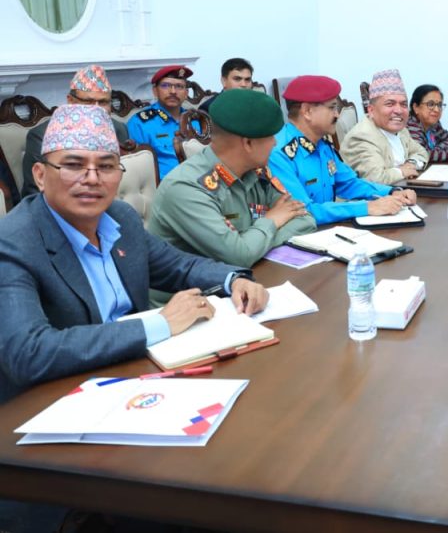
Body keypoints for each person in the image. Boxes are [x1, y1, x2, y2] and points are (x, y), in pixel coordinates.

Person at [0, 105, 269, 402]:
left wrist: (234, 280)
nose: (92, 179)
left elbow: (177, 265)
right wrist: (160, 324)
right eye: (74, 165)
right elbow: (27, 353)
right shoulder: (12, 243)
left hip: (139, 374)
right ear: (40, 175)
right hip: (57, 397)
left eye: (106, 167)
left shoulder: (120, 217)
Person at [147, 89, 316, 268]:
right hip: (193, 285)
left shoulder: (255, 172)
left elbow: (305, 220)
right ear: (248, 143)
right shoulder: (186, 188)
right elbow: (239, 256)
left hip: (246, 275)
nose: (275, 143)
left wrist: (255, 244)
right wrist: (272, 221)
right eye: (270, 137)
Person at [268, 75, 417, 224]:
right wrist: (367, 207)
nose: (337, 114)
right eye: (332, 107)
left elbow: (348, 183)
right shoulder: (278, 153)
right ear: (307, 111)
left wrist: (391, 192)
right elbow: (302, 212)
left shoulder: (321, 145)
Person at [21, 64, 132, 199]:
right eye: (89, 101)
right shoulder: (42, 136)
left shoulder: (118, 129)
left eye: (103, 102)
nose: (97, 109)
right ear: (70, 101)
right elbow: (34, 194)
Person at [340, 69, 429, 185]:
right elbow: (375, 178)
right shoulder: (362, 136)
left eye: (403, 104)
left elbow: (422, 153)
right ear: (371, 110)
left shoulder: (401, 131)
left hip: (401, 191)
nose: (399, 110)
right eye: (390, 104)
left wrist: (411, 163)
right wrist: (401, 172)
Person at [126, 64, 194, 180]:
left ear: (186, 93)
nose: (173, 91)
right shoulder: (140, 123)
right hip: (165, 185)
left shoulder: (196, 120)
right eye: (165, 85)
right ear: (155, 91)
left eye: (179, 86)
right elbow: (138, 169)